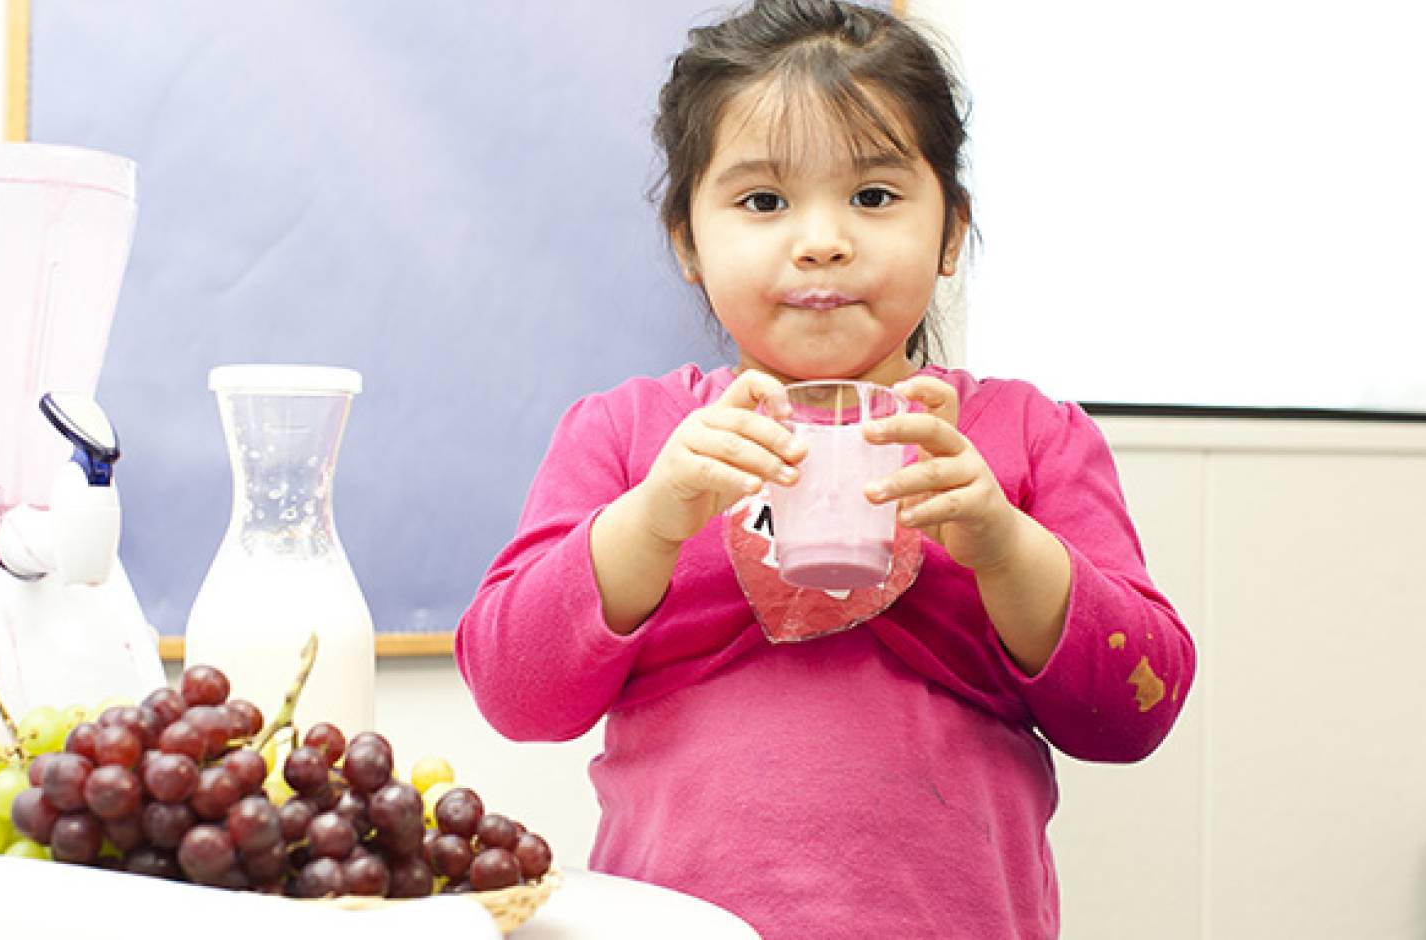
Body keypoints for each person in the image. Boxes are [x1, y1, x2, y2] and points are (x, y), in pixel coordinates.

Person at [455, 1, 1196, 936]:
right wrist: (651, 520)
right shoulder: (630, 433)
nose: (822, 240)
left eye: (874, 197)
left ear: (952, 232)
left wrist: (1005, 546)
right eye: (763, 202)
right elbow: (515, 693)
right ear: (686, 237)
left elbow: (1137, 711)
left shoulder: (1029, 437)